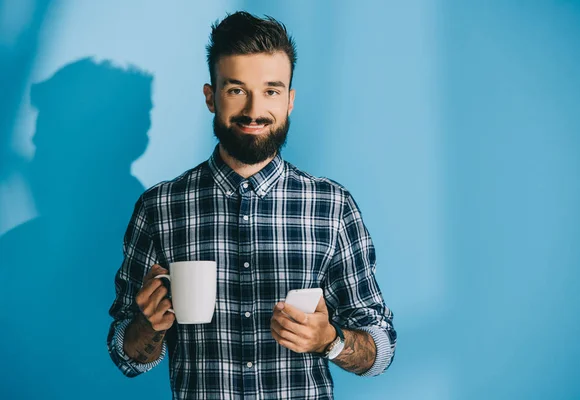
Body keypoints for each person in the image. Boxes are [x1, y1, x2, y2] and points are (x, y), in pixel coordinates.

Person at [107, 11, 396, 399]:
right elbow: (126, 357)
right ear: (211, 97)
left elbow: (381, 349)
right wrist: (148, 326)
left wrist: (331, 340)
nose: (254, 110)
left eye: (271, 90)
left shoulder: (333, 206)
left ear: (290, 100)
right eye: (236, 90)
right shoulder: (159, 207)